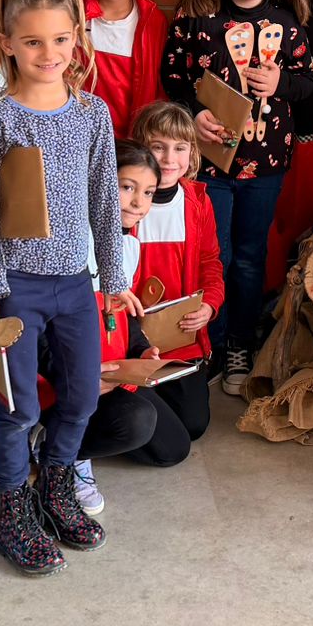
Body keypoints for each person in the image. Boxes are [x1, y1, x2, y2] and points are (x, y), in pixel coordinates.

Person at [0, 0, 132, 575]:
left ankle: (56, 486)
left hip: (76, 284)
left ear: (77, 39)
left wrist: (113, 279)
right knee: (17, 409)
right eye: (33, 41)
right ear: (7, 43)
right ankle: (14, 509)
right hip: (16, 287)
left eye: (61, 39)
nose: (49, 53)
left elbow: (105, 202)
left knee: (82, 394)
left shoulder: (93, 114)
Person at [160, 0, 313, 395]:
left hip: (266, 163)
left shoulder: (286, 24)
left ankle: (240, 344)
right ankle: (210, 339)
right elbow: (173, 78)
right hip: (209, 163)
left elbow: (308, 80)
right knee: (215, 254)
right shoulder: (196, 20)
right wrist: (193, 114)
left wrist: (281, 82)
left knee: (249, 258)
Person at [72, 139, 196, 503]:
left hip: (112, 372)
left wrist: (142, 351)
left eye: (148, 192)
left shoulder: (128, 246)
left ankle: (72, 437)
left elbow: (124, 318)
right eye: (127, 187)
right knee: (136, 420)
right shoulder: (72, 243)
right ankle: (61, 455)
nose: (139, 203)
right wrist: (79, 375)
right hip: (68, 374)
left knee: (173, 447)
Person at [18, 0, 169, 133]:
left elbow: (159, 89)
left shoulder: (153, 20)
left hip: (131, 142)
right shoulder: (70, 11)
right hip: (74, 136)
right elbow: (27, 27)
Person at [127, 99, 221, 444]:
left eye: (180, 148)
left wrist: (209, 304)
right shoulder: (124, 199)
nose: (169, 158)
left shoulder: (198, 201)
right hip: (131, 337)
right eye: (158, 146)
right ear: (141, 148)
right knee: (158, 432)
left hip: (180, 340)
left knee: (193, 425)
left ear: (192, 153)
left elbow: (211, 262)